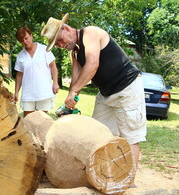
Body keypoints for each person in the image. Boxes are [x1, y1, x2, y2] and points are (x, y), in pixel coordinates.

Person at [41, 13, 147, 186]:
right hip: (106, 93)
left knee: (130, 136)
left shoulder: (90, 33)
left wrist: (74, 90)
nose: (61, 45)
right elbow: (76, 81)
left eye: (60, 40)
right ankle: (107, 176)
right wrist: (71, 97)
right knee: (97, 136)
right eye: (57, 45)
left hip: (127, 87)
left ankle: (129, 183)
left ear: (66, 29)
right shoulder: (74, 53)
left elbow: (92, 64)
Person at [14, 26, 59, 117]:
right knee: (28, 122)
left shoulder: (44, 49)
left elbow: (53, 67)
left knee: (41, 122)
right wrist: (16, 92)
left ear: (31, 36)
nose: (25, 42)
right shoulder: (20, 56)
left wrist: (55, 83)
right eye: (22, 41)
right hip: (28, 94)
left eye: (26, 38)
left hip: (43, 92)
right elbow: (19, 75)